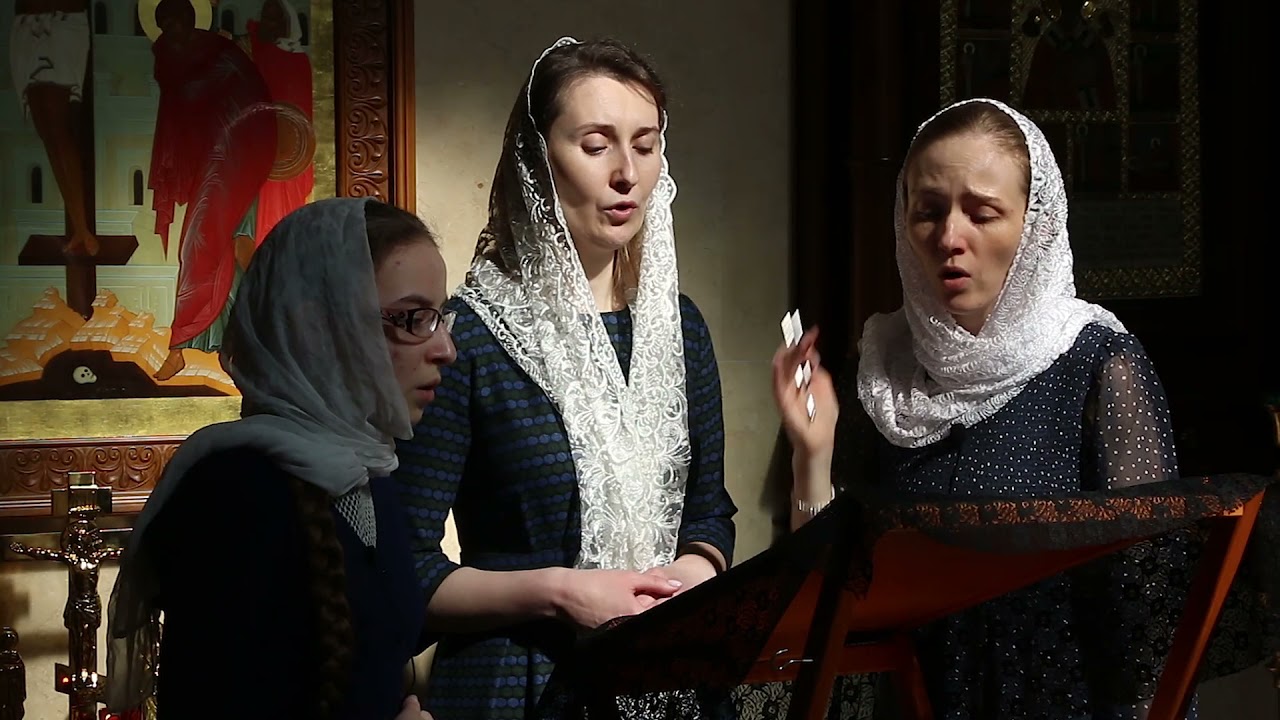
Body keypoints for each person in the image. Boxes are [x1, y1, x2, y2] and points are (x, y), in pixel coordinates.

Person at [773, 98, 1191, 719]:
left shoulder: (1097, 364)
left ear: (1034, 224)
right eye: (928, 212)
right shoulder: (883, 370)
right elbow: (829, 596)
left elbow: (1147, 607)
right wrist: (813, 454)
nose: (949, 238)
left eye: (983, 213)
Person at [395, 37, 737, 719]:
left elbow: (708, 513)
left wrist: (686, 577)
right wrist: (558, 592)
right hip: (517, 686)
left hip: (665, 681)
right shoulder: (472, 337)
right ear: (537, 158)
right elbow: (406, 567)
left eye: (646, 146)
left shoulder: (679, 329)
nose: (626, 174)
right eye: (596, 145)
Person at [105, 198, 453, 720]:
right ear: (319, 327)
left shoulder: (368, 470)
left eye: (440, 317)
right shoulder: (236, 493)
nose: (446, 349)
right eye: (412, 319)